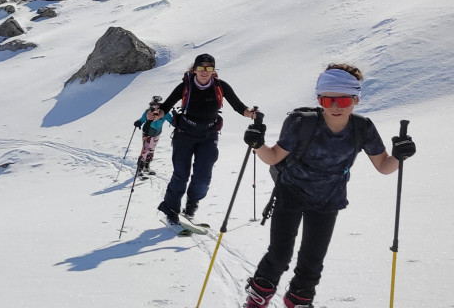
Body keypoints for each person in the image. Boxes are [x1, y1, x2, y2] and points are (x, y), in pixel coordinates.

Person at [239, 64, 416, 308]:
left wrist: (399, 155)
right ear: (320, 99)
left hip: (328, 200)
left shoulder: (362, 128)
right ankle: (258, 297)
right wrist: (258, 144)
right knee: (279, 255)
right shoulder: (301, 122)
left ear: (356, 100)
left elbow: (384, 166)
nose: (334, 107)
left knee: (313, 260)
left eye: (342, 102)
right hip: (291, 192)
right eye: (327, 100)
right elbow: (274, 157)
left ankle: (299, 300)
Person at [153, 53, 259, 225]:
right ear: (194, 69)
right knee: (181, 174)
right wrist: (157, 114)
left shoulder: (220, 86)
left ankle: (190, 209)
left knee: (203, 176)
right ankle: (171, 209)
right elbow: (166, 106)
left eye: (208, 68)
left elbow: (239, 107)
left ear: (213, 71)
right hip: (184, 134)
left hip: (209, 136)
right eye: (201, 68)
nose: (204, 71)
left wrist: (251, 113)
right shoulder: (185, 86)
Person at [133, 96, 173, 176]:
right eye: (154, 104)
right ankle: (140, 168)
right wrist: (138, 123)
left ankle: (146, 167)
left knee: (151, 150)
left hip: (157, 133)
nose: (156, 106)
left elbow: (171, 120)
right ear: (151, 104)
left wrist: (177, 123)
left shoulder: (164, 113)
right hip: (147, 132)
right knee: (145, 149)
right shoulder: (148, 112)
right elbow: (142, 120)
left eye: (157, 104)